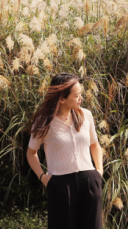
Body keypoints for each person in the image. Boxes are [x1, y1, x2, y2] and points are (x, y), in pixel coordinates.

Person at [26, 73, 103, 229]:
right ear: (62, 98)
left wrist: (99, 172)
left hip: (89, 182)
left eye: (81, 94)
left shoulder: (85, 115)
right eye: (76, 95)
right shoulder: (44, 122)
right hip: (61, 185)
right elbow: (31, 153)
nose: (81, 98)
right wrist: (43, 177)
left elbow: (95, 145)